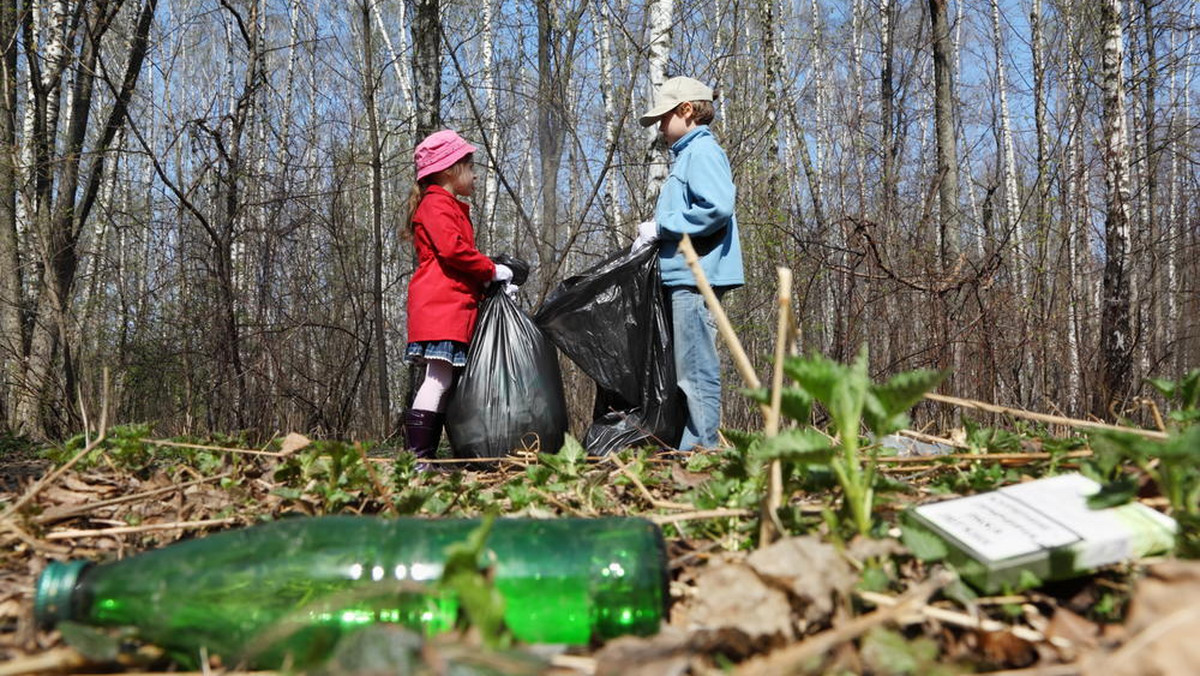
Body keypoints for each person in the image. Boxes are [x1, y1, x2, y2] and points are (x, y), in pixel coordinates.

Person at [634, 76, 744, 452]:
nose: (661, 129)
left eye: (663, 119)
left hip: (698, 278)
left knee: (696, 369)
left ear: (686, 111)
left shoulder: (702, 153)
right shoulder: (689, 154)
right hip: (684, 276)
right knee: (687, 367)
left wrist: (662, 227)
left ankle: (701, 451)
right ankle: (693, 445)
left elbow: (717, 207)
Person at [403, 129, 514, 463]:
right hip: (441, 309)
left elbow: (455, 257)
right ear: (449, 169)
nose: (475, 173)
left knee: (442, 380)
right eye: (469, 164)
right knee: (437, 380)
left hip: (449, 307)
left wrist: (486, 281)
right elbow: (453, 251)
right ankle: (417, 459)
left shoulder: (444, 205)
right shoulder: (436, 205)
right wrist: (491, 270)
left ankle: (423, 458)